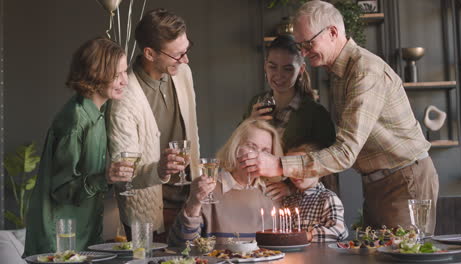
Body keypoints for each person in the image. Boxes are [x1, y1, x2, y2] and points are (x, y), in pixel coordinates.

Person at [240, 0, 439, 234]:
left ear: (332, 32)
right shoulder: (338, 72)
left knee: (403, 256)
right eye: (300, 45)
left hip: (403, 180)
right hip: (378, 182)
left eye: (308, 43)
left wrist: (279, 165)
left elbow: (345, 153)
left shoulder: (364, 72)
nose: (303, 52)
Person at [24, 37, 131, 255]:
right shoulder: (74, 120)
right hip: (59, 242)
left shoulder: (99, 116)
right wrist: (106, 177)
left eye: (125, 72)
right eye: (116, 74)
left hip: (84, 236)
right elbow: (62, 190)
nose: (125, 80)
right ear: (95, 73)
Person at [107, 8, 200, 243]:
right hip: (150, 216)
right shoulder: (124, 99)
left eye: (186, 50)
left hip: (191, 204)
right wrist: (159, 170)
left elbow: (193, 133)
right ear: (149, 53)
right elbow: (125, 174)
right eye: (178, 55)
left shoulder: (183, 73)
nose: (186, 60)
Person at [243, 34, 336, 201]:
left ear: (300, 70)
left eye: (288, 68)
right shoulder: (255, 103)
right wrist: (248, 124)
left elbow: (327, 165)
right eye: (273, 67)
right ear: (265, 66)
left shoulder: (316, 114)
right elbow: (239, 149)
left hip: (298, 202)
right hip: (256, 194)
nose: (278, 75)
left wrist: (291, 187)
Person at [167, 119, 282, 246]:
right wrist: (194, 203)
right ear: (235, 147)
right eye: (251, 147)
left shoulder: (274, 193)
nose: (259, 156)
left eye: (265, 151)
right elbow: (181, 246)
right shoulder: (207, 190)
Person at [282, 144, 348, 242]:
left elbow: (338, 231)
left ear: (319, 170)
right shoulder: (288, 201)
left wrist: (302, 237)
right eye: (290, 168)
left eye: (302, 167)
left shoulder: (327, 198)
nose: (295, 173)